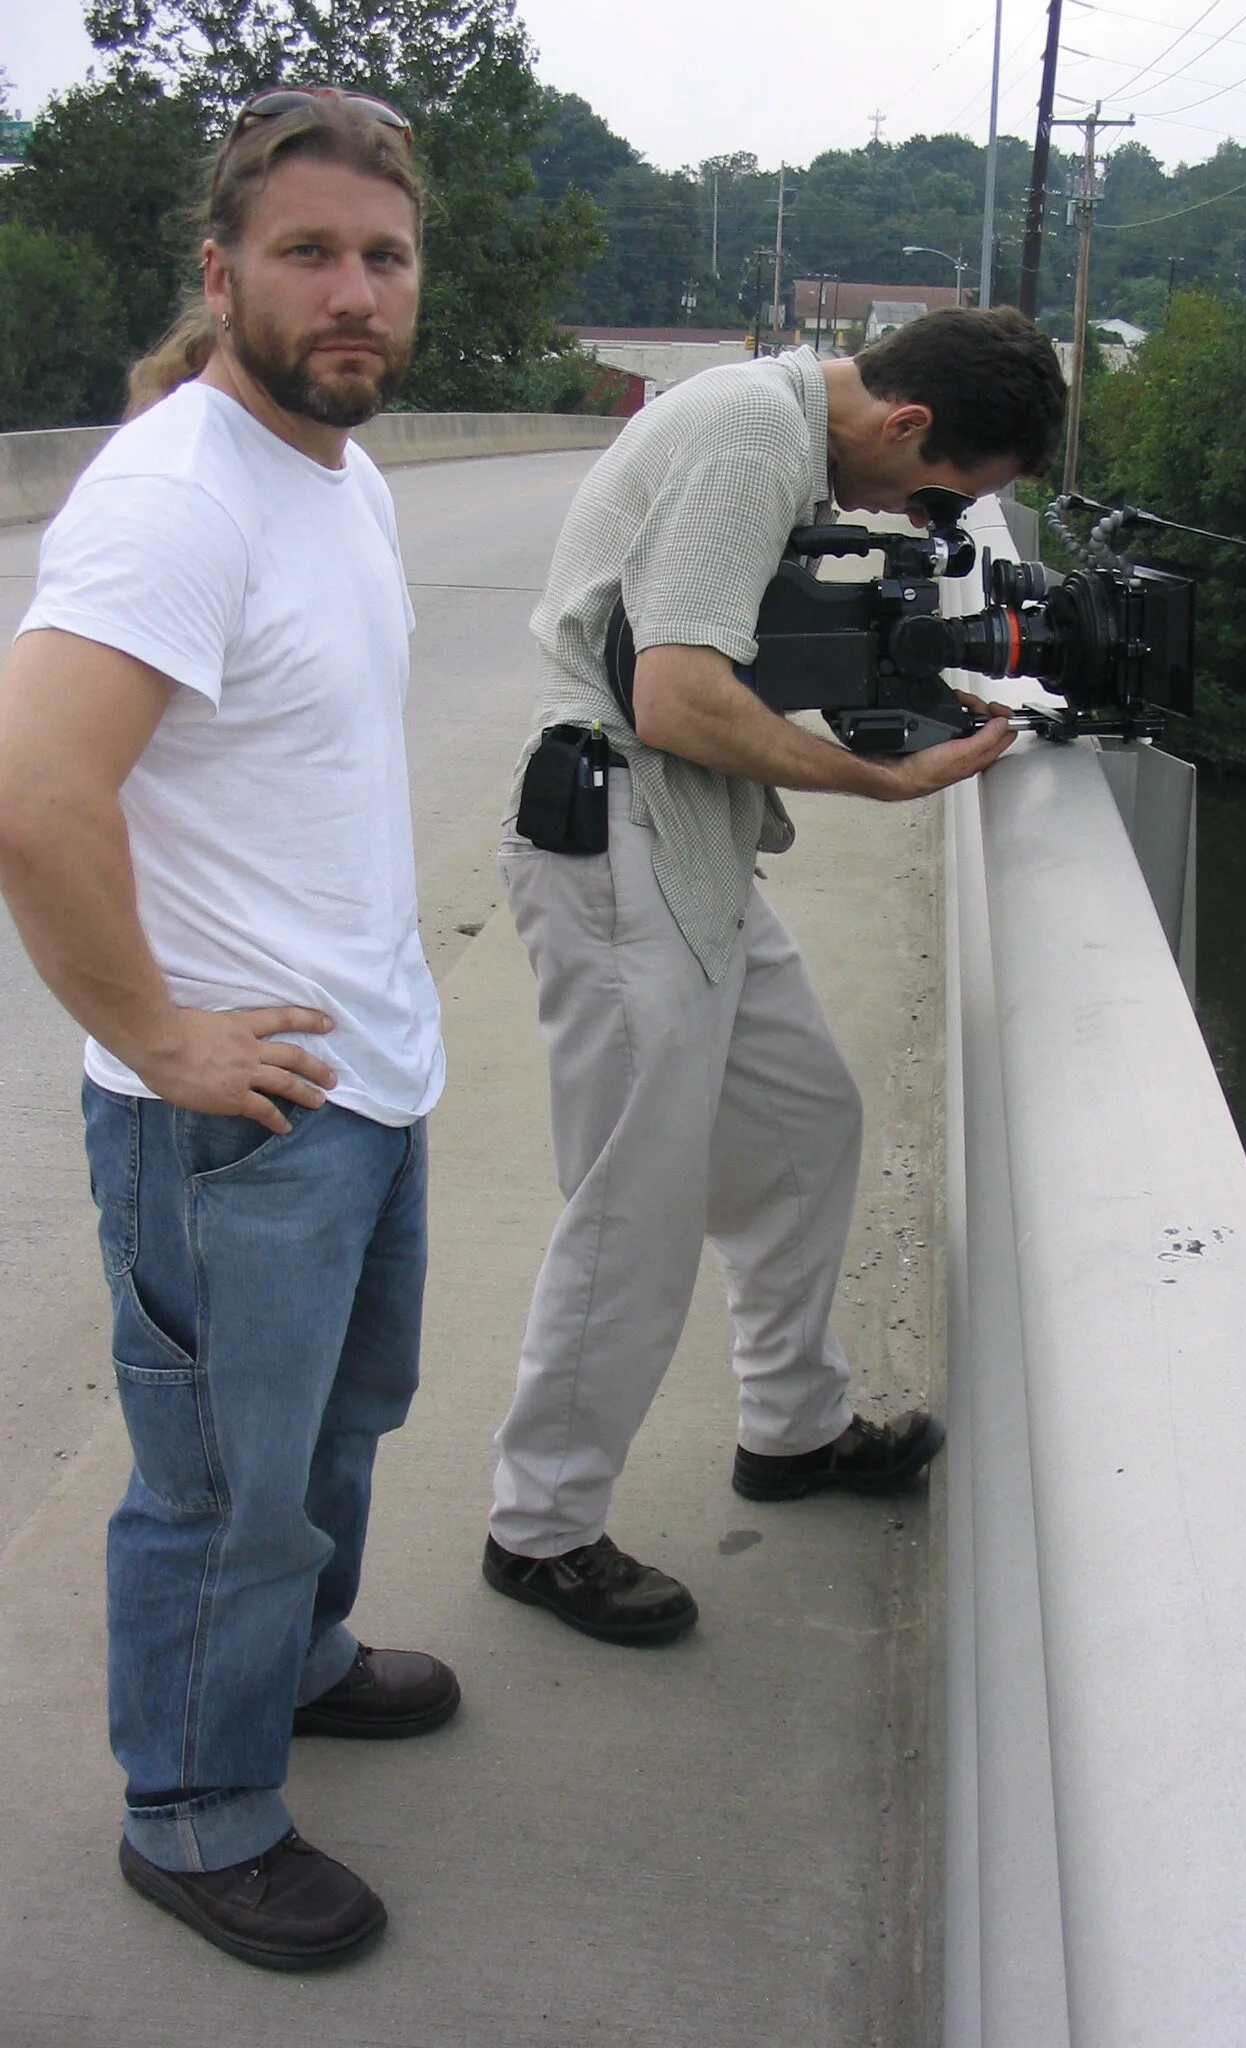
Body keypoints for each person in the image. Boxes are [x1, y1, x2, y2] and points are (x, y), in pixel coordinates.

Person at [0, 88, 456, 1972]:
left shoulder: (336, 471)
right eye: (309, 254)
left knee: (344, 1425)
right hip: (234, 1118)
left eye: (384, 256)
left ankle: (306, 1657)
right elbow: (34, 793)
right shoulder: (179, 491)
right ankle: (194, 1813)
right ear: (222, 274)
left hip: (361, 1072)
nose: (352, 291)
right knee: (221, 1484)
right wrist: (163, 1039)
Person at [482, 306, 1067, 1646]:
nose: (924, 520)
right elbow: (678, 697)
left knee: (805, 1125)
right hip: (622, 838)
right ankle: (542, 1529)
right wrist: (885, 777)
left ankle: (792, 1431)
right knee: (635, 1206)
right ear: (907, 424)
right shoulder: (752, 431)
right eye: (940, 495)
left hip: (692, 842)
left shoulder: (793, 439)